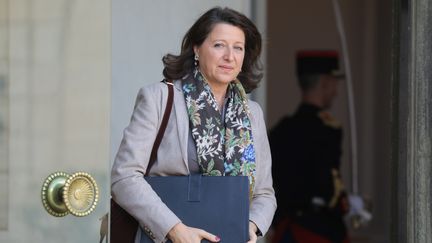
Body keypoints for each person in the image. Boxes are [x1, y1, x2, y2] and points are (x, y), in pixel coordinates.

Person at [111, 7, 276, 243]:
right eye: (219, 45)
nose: (230, 56)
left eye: (238, 48)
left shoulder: (252, 113)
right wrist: (175, 230)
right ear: (197, 49)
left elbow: (264, 193)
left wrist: (251, 226)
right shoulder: (159, 97)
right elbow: (124, 178)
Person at [269, 50, 350, 243]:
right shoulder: (327, 128)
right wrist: (345, 204)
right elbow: (329, 185)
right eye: (334, 84)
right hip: (317, 230)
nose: (336, 91)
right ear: (325, 83)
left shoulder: (281, 129)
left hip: (285, 228)